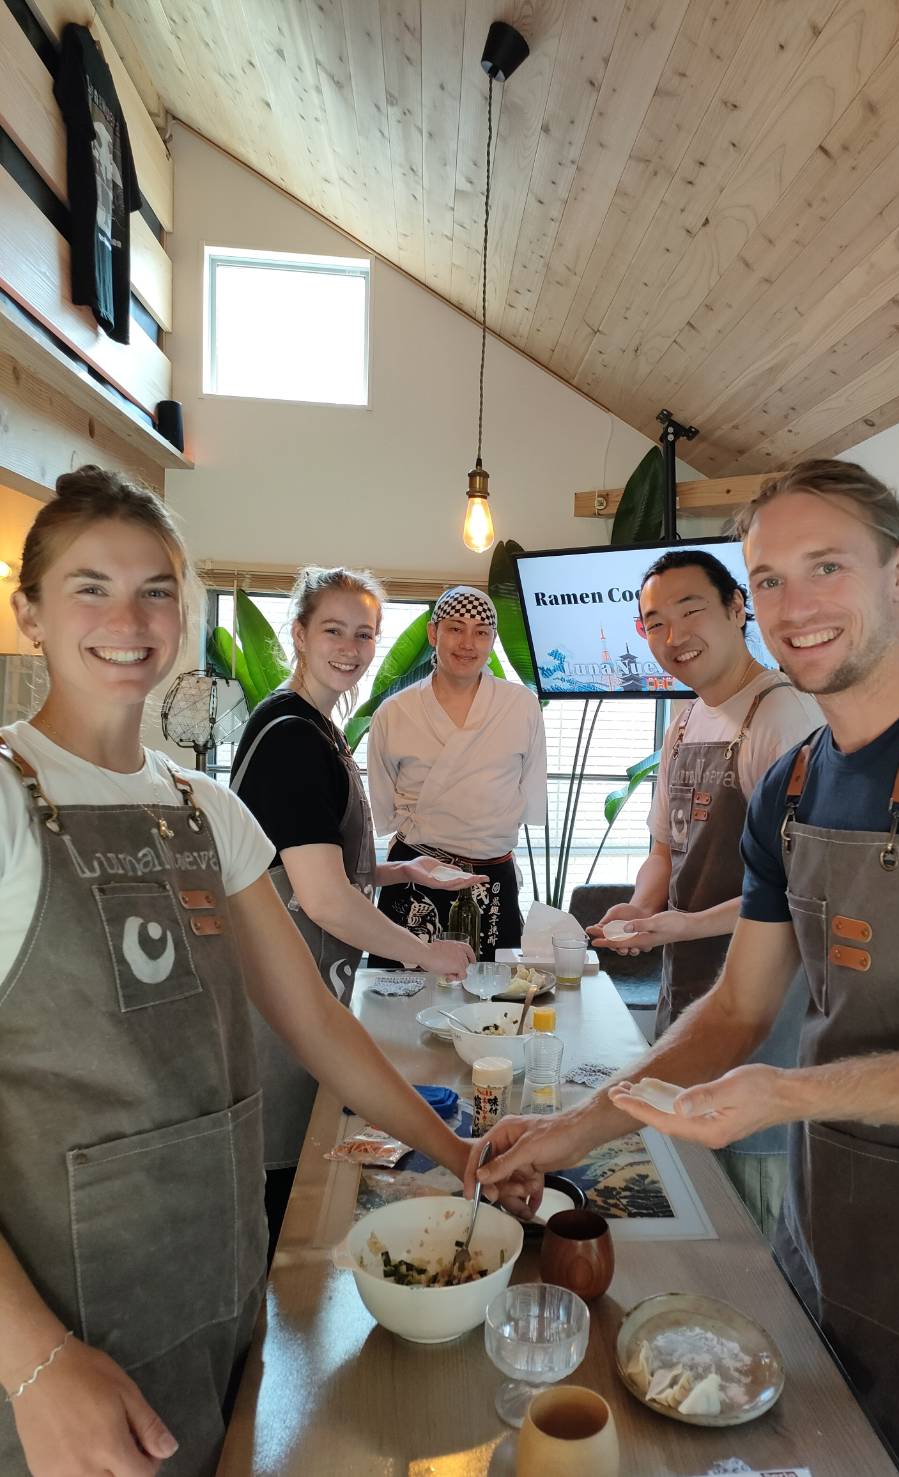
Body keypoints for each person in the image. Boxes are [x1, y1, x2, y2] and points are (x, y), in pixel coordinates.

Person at [471, 459, 899, 1477]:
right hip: (824, 1226)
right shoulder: (792, 788)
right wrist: (565, 1134)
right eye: (768, 578)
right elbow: (734, 1011)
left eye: (826, 567)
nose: (793, 607)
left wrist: (790, 1090)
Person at [0, 470, 526, 1477]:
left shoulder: (203, 807)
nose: (130, 617)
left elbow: (317, 1024)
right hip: (52, 1325)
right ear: (31, 613)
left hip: (214, 1275)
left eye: (157, 588)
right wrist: (33, 1362)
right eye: (90, 586)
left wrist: (451, 1150)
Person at [229, 566, 478, 1254]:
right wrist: (425, 951)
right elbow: (322, 897)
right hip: (277, 1008)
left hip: (307, 994)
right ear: (300, 634)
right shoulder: (292, 738)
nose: (350, 646)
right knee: (286, 1198)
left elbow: (301, 853)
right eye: (332, 629)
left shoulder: (315, 727)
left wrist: (401, 868)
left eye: (364, 633)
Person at [588, 548, 821, 1234]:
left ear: (736, 608)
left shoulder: (781, 717)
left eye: (691, 609)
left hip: (762, 1015)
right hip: (689, 994)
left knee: (749, 1218)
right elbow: (665, 848)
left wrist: (678, 926)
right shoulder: (688, 719)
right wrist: (642, 904)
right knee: (692, 1202)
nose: (672, 634)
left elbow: (795, 884)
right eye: (654, 621)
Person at [367, 585, 547, 963]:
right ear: (434, 633)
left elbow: (528, 786)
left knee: (495, 998)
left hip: (491, 875)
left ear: (493, 641)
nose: (468, 643)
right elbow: (382, 799)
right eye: (456, 628)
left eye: (481, 632)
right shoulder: (394, 711)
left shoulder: (521, 706)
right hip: (416, 870)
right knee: (402, 994)